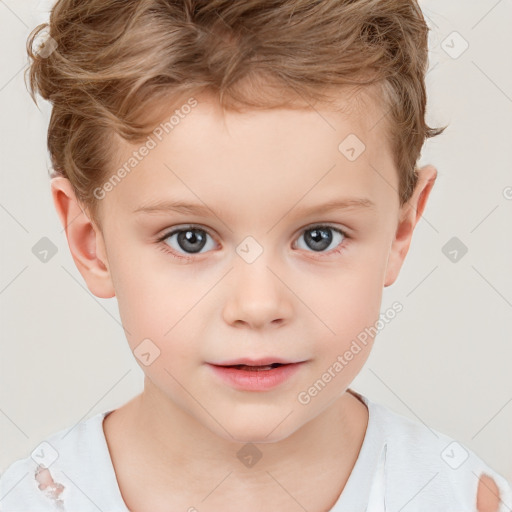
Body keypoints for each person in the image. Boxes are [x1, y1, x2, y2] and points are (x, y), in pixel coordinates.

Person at [1, 0, 511, 510]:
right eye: (190, 239)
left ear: (401, 231)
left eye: (319, 237)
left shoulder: (460, 498)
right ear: (92, 242)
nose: (258, 305)